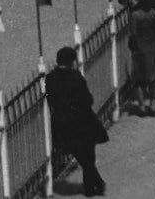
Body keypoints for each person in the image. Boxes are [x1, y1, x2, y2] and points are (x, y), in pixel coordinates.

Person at [45, 46, 108, 197]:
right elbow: (87, 100)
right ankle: (93, 186)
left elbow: (50, 100)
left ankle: (95, 185)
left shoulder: (50, 78)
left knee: (80, 155)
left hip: (62, 123)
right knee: (89, 156)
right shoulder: (76, 77)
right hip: (82, 121)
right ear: (72, 61)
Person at [128, 0, 155, 116]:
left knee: (138, 80)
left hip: (140, 48)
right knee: (152, 79)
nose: (130, 1)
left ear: (137, 0)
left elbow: (133, 34)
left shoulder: (135, 15)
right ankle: (153, 104)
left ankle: (142, 106)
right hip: (152, 47)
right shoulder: (152, 12)